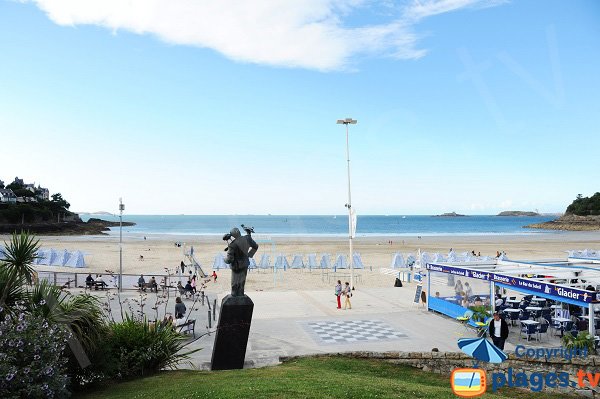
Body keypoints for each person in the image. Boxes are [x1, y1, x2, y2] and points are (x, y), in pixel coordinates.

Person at [224, 227, 259, 297]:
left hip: (236, 266)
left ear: (233, 236)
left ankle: (234, 294)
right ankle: (240, 294)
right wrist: (250, 254)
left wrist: (224, 260)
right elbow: (255, 246)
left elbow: (229, 260)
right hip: (244, 264)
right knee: (242, 281)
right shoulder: (247, 239)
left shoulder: (232, 245)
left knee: (234, 282)